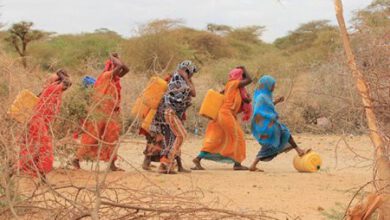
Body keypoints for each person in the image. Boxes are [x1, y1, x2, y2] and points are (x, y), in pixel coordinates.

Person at [72, 54, 129, 171]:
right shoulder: (106, 76)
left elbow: (126, 69)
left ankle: (112, 163)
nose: (119, 71)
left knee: (112, 137)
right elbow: (120, 66)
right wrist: (112, 56)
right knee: (92, 137)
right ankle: (76, 159)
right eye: (116, 67)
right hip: (99, 112)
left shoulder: (115, 79)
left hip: (111, 113)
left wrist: (117, 57)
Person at [192, 66, 252, 171]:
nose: (242, 79)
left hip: (225, 115)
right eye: (242, 76)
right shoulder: (233, 83)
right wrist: (244, 68)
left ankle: (198, 159)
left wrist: (248, 99)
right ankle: (237, 164)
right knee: (239, 136)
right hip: (226, 114)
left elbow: (244, 100)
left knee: (217, 139)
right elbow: (249, 80)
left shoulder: (234, 87)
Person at [248, 75, 310, 172]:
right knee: (269, 144)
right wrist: (270, 116)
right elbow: (258, 112)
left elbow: (268, 105)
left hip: (270, 123)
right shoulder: (261, 97)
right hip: (264, 125)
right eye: (272, 85)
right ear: (267, 85)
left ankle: (299, 151)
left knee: (285, 132)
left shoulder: (265, 95)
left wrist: (276, 101)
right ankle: (253, 165)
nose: (273, 87)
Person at [18, 70, 72, 182]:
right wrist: (60, 72)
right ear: (58, 82)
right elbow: (67, 83)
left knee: (35, 149)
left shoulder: (50, 90)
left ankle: (35, 176)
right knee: (45, 148)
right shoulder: (53, 89)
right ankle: (37, 175)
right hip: (38, 122)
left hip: (38, 122)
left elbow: (67, 84)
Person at [148, 60, 197, 174]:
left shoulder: (182, 79)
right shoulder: (178, 81)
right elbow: (191, 92)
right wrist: (186, 78)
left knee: (174, 139)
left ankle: (166, 164)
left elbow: (193, 93)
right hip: (169, 113)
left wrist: (187, 78)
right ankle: (166, 163)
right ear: (186, 71)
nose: (192, 76)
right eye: (191, 73)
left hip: (171, 114)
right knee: (180, 136)